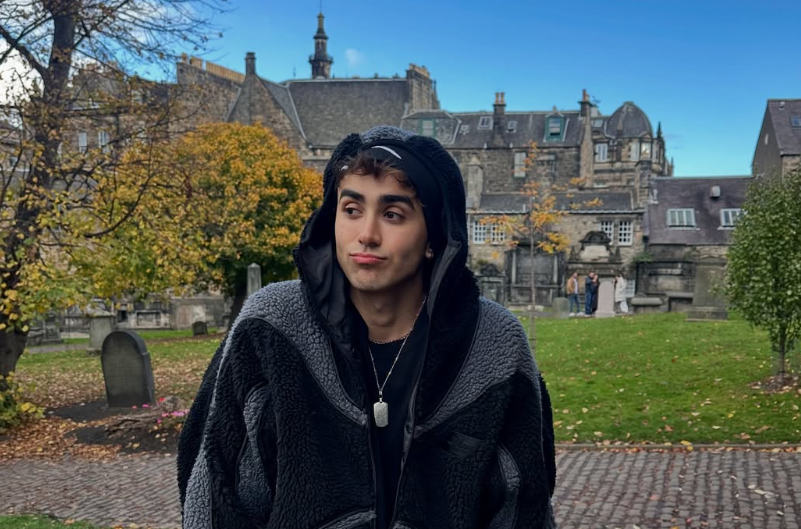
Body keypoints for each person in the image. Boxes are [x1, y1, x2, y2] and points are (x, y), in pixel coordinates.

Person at [177, 125, 557, 529]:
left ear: (434, 237)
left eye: (393, 214)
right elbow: (214, 488)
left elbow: (522, 504)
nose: (367, 235)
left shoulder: (493, 343)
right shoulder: (270, 328)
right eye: (352, 209)